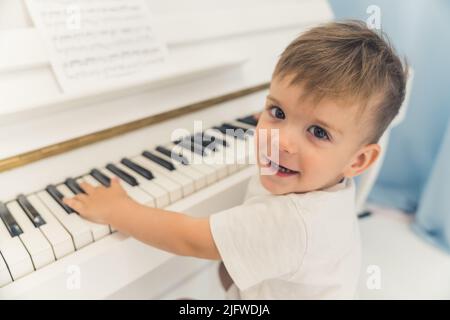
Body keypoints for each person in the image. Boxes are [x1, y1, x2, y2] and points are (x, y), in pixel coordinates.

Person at [63, 20, 408, 299]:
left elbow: (190, 239)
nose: (281, 140)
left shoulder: (294, 222)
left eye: (318, 132)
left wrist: (118, 210)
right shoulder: (323, 183)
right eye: (277, 111)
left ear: (359, 161)